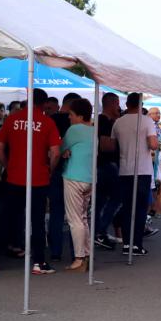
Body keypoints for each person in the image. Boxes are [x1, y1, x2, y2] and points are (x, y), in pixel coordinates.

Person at [0, 88, 61, 274]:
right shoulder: (47, 122)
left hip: (14, 177)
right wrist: (49, 170)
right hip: (39, 179)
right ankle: (38, 263)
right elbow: (55, 152)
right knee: (37, 221)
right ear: (44, 104)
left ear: (28, 100)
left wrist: (8, 166)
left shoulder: (12, 119)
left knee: (6, 218)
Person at [110, 93, 158, 256]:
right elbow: (153, 144)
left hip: (124, 169)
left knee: (127, 207)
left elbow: (112, 146)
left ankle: (126, 243)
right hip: (142, 170)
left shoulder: (118, 122)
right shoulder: (146, 121)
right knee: (140, 209)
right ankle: (136, 244)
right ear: (140, 104)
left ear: (127, 104)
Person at [47, 92, 81, 265]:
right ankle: (77, 253)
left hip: (55, 171)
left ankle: (55, 252)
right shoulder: (77, 124)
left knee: (56, 213)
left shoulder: (51, 120)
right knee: (76, 215)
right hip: (74, 171)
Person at [61, 98, 94, 272]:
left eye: (71, 114)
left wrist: (65, 151)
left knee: (74, 220)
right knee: (83, 218)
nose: (69, 117)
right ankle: (87, 255)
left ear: (80, 116)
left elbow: (60, 148)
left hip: (73, 177)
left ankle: (79, 258)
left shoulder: (74, 130)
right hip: (90, 179)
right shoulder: (94, 131)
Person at [93, 93, 124, 250]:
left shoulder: (104, 121)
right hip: (107, 165)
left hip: (102, 166)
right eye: (117, 104)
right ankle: (100, 230)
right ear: (112, 104)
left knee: (100, 201)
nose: (118, 107)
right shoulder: (105, 122)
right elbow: (106, 146)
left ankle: (98, 233)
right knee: (117, 197)